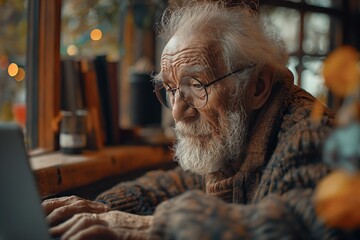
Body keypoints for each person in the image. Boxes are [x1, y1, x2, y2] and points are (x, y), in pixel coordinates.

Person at [43, 1, 346, 239]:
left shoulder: (311, 135)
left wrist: (159, 228)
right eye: (172, 89)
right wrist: (102, 210)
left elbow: (299, 226)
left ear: (258, 86)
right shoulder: (234, 136)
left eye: (197, 85)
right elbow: (181, 183)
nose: (177, 111)